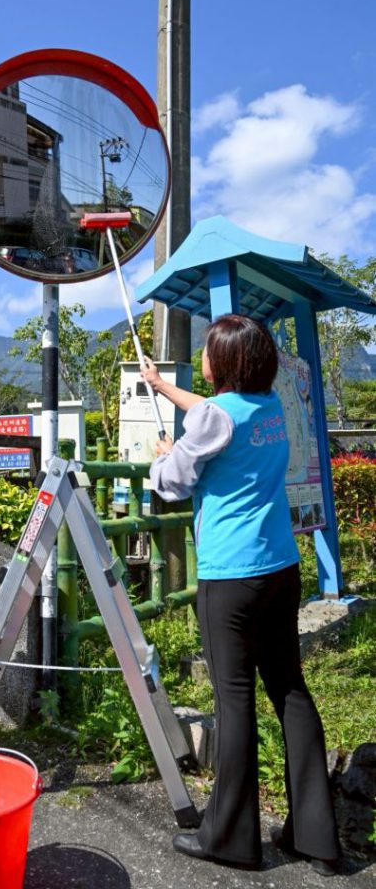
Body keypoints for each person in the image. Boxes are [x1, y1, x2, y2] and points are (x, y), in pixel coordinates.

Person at [141, 314, 340, 876]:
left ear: (225, 364)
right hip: (281, 567)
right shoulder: (270, 406)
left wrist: (163, 454)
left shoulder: (211, 417)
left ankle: (228, 838)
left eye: (208, 351)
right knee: (290, 693)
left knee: (234, 704)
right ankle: (318, 839)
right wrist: (162, 387)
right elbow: (211, 413)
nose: (202, 360)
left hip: (231, 576)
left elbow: (174, 480)